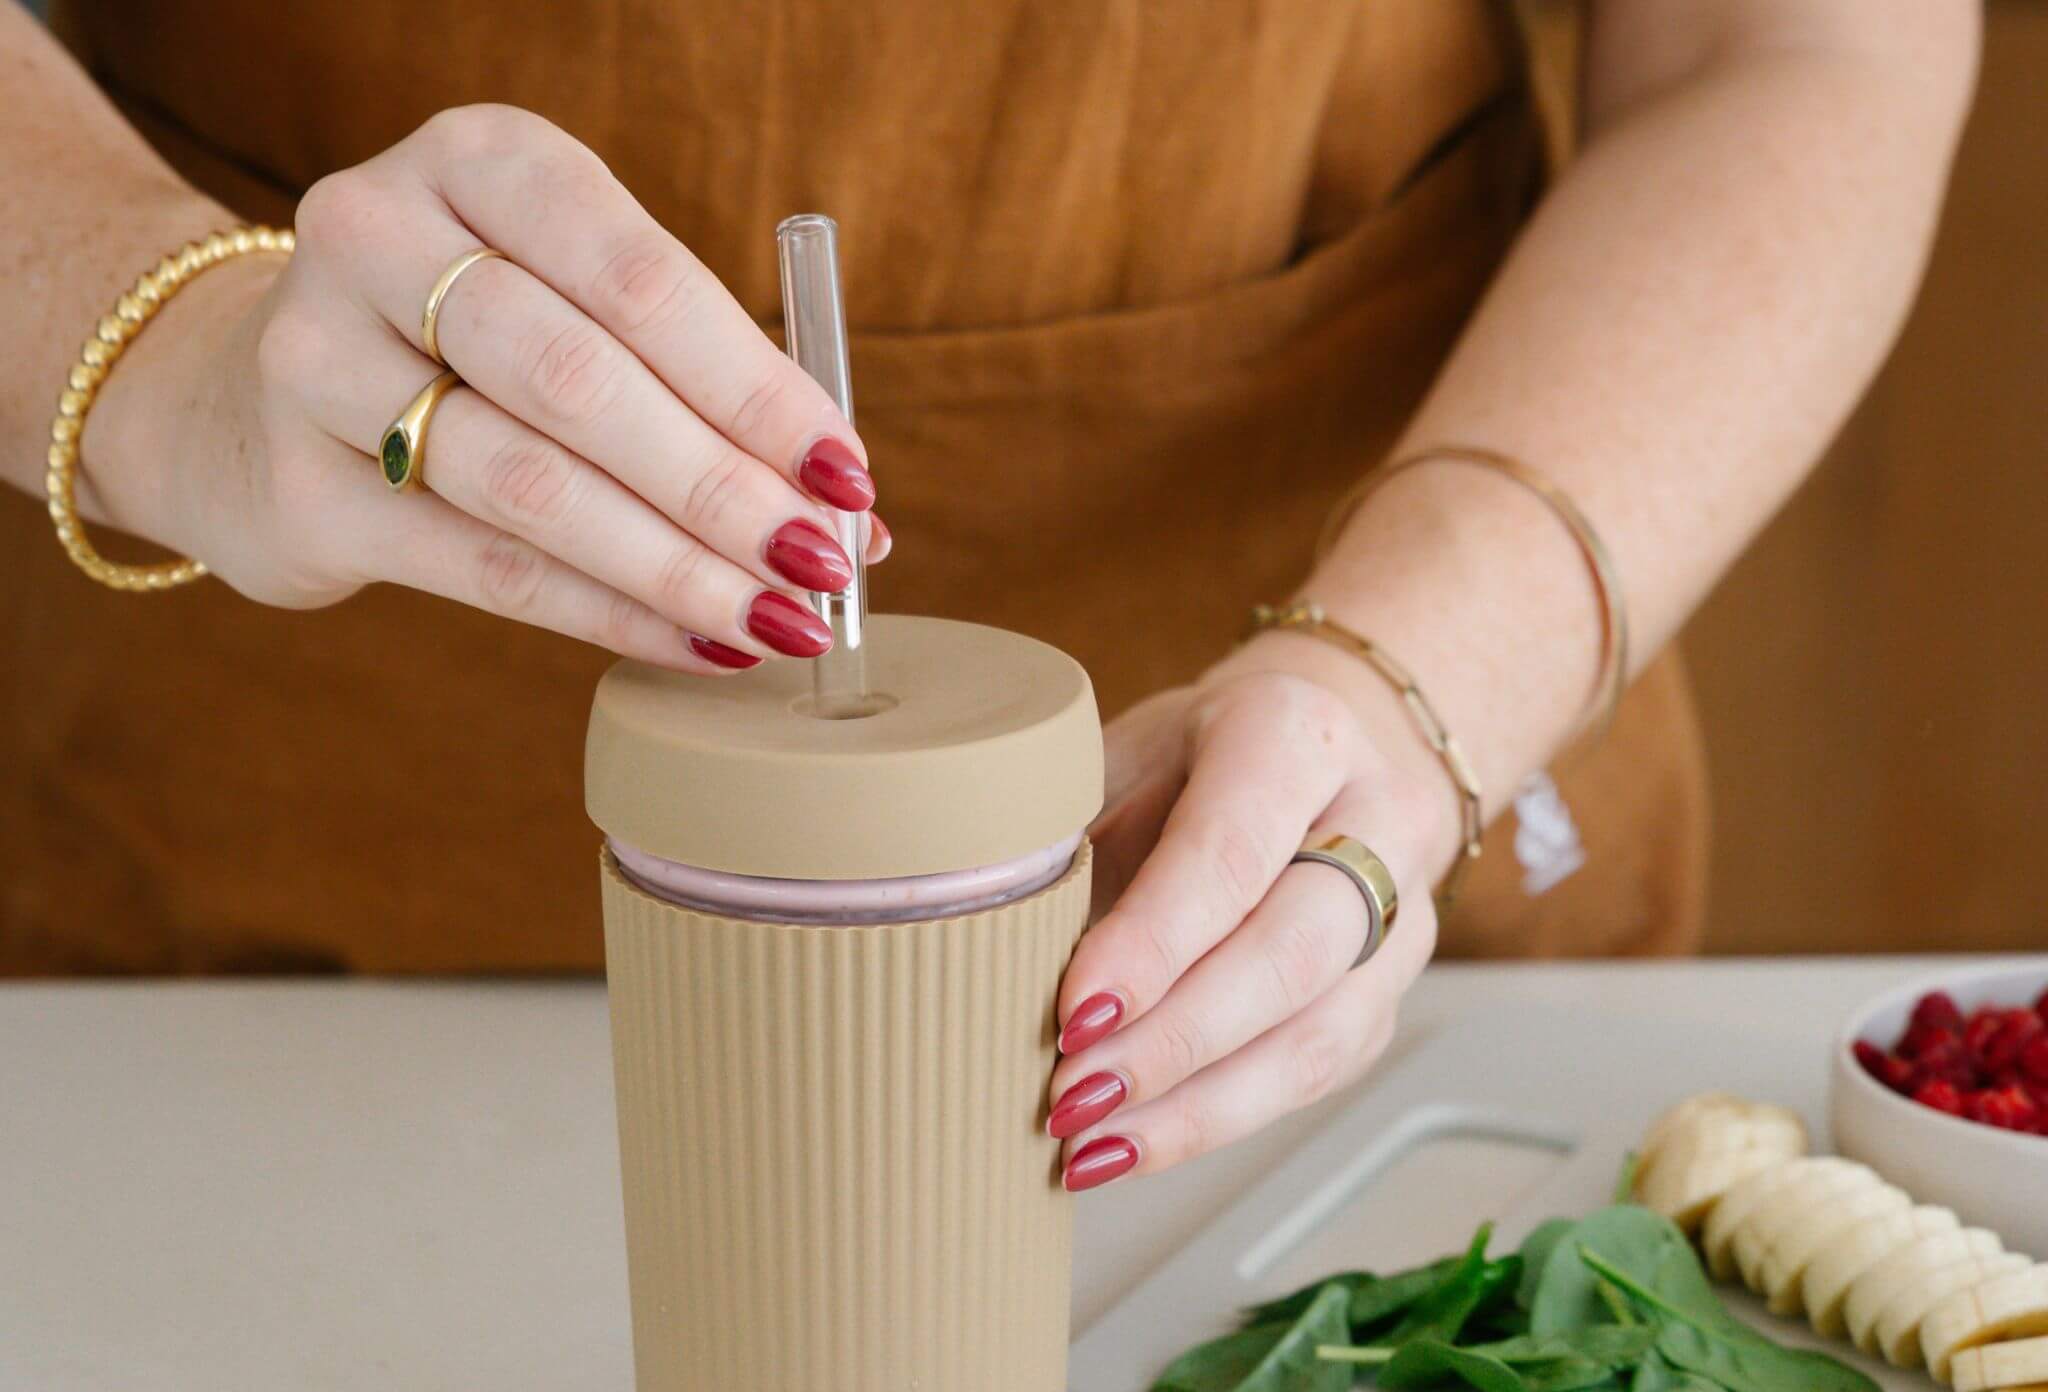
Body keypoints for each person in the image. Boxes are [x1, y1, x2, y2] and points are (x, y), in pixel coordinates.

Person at [0, 0, 1976, 1190]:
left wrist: (1414, 679)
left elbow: (1787, 46)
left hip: (1336, 945)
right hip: (245, 965)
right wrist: (165, 346)